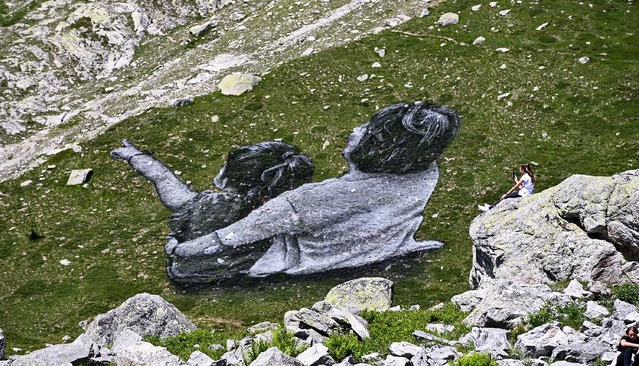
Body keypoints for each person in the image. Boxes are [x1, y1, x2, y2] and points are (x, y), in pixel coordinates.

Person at [166, 102, 462, 282]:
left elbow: (230, 237)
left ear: (375, 146)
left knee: (194, 252)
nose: (357, 129)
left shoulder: (311, 201)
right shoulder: (423, 173)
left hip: (296, 258)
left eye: (367, 129)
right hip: (372, 247)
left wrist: (180, 249)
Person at [111, 139, 314, 243]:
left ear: (228, 176)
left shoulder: (214, 206)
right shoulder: (279, 209)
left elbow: (165, 181)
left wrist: (132, 155)